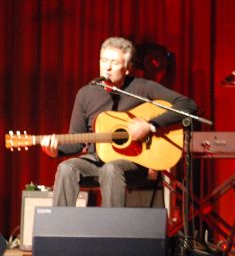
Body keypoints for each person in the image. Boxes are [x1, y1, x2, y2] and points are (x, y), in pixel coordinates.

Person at [42, 37, 197, 207]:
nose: (107, 67)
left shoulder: (142, 88)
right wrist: (55, 150)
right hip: (96, 161)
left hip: (134, 163)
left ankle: (112, 230)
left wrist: (150, 125)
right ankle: (60, 229)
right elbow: (77, 141)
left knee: (111, 169)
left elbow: (188, 105)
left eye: (114, 62)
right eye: (104, 60)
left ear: (128, 69)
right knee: (66, 168)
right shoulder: (86, 93)